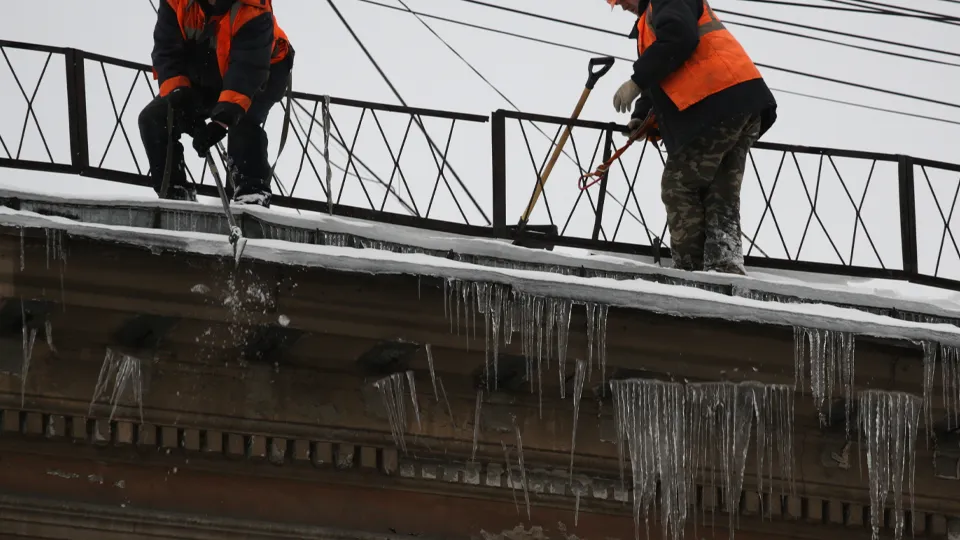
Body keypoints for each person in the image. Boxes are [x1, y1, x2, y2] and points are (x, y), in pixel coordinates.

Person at [606, 0, 777, 275]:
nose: (619, 5)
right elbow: (666, 68)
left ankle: (690, 273)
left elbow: (679, 39)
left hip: (717, 102)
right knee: (722, 193)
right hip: (743, 102)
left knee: (678, 185)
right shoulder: (652, 18)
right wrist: (642, 117)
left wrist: (635, 81)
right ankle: (724, 268)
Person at [139, 0, 294, 207]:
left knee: (243, 121)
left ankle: (252, 196)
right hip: (209, 69)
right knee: (155, 118)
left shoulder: (253, 8)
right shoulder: (176, 2)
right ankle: (175, 195)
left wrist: (221, 122)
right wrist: (180, 97)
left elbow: (247, 72)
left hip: (264, 71)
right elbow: (167, 52)